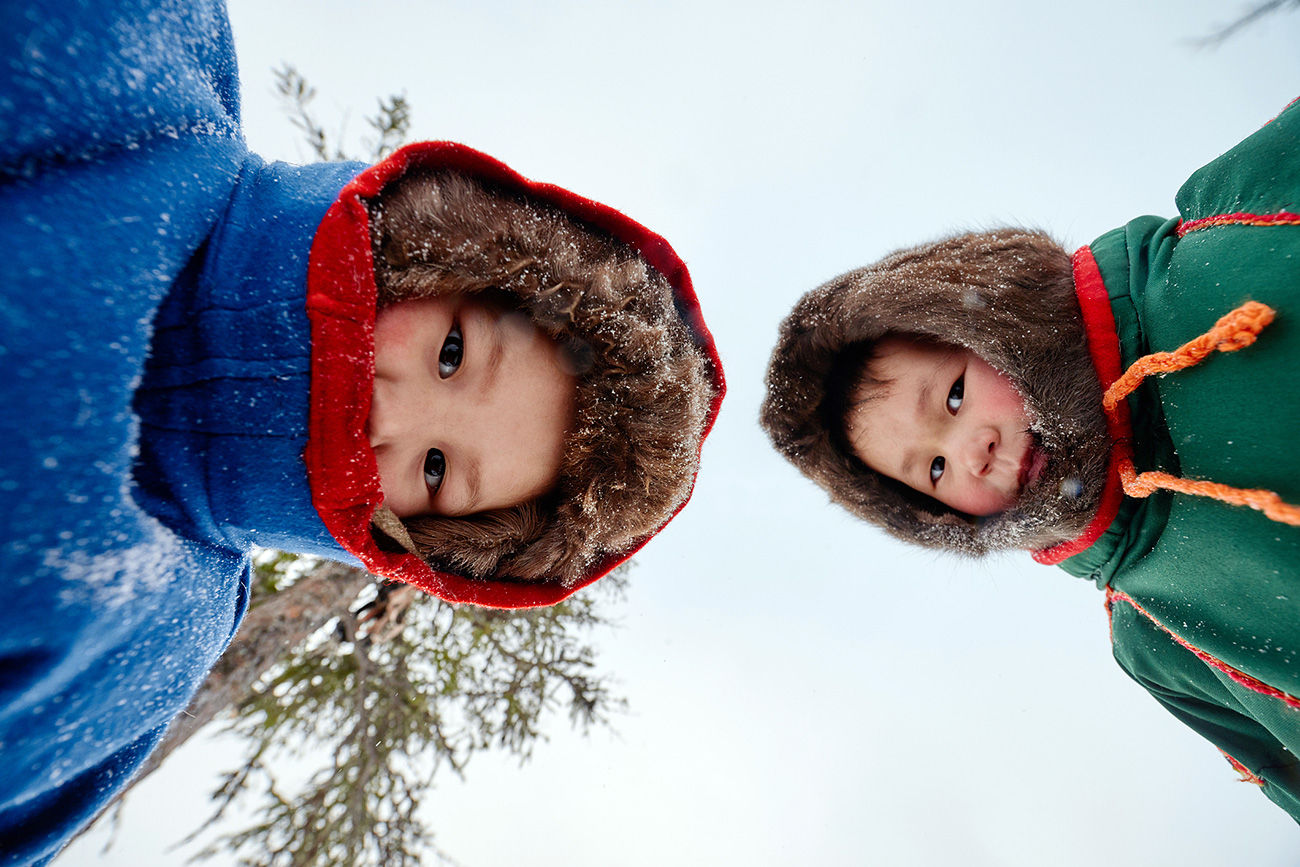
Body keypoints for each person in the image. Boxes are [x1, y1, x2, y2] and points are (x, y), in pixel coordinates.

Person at [0, 1, 724, 863]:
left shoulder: (153, 647)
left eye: (435, 467)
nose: (393, 412)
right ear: (445, 248)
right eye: (452, 352)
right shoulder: (150, 71)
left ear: (421, 538)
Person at [762, 97, 1300, 819]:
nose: (970, 451)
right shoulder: (1157, 634)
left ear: (985, 316)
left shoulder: (1224, 226)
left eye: (953, 397)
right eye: (934, 472)